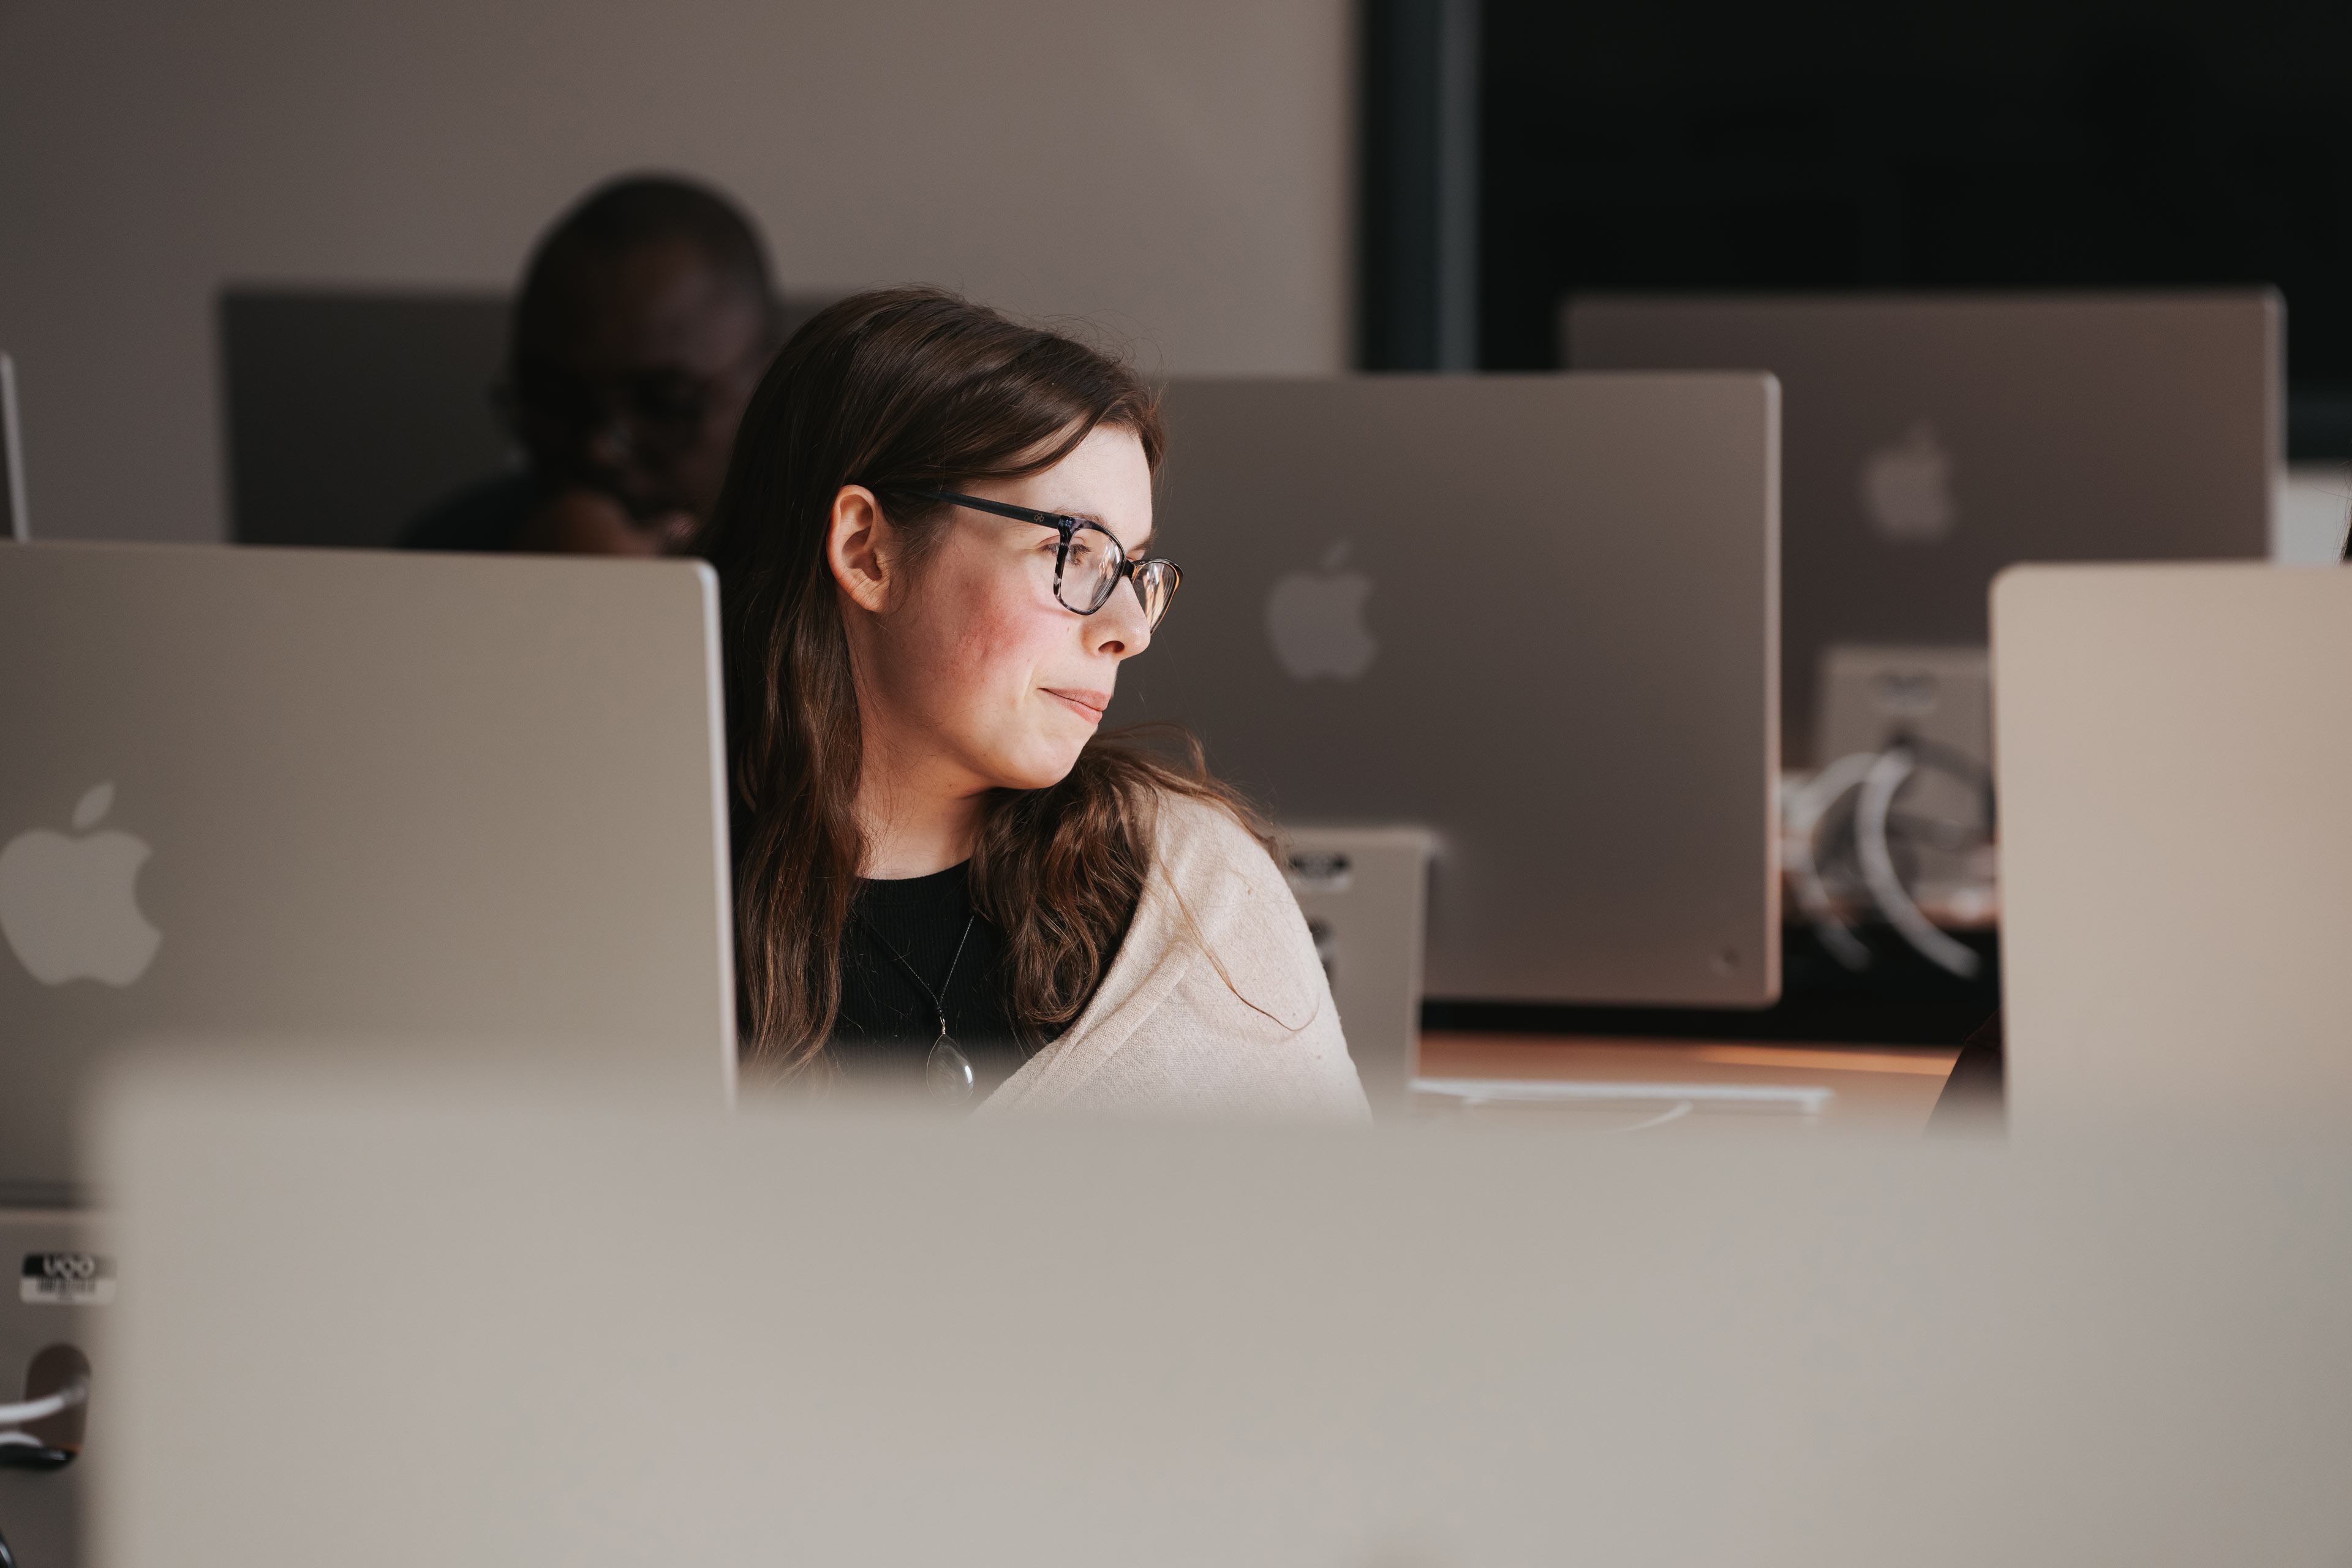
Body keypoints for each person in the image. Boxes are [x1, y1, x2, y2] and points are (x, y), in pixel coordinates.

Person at [699, 288, 1368, 1120]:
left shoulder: (1192, 895)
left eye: (1133, 570)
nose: (1129, 630)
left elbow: (1332, 1241)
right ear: (866, 551)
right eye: (1074, 551)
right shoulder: (627, 894)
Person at [401, 175, 782, 556]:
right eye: (554, 399)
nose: (598, 450)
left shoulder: (830, 566)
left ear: (773, 388)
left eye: (662, 402)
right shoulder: (445, 554)